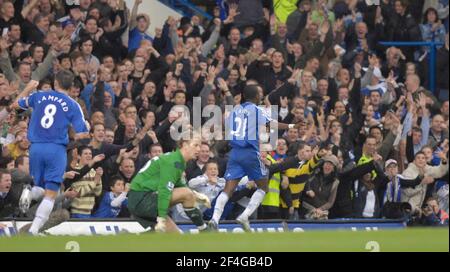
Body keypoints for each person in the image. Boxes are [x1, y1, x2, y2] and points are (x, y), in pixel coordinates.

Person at [209, 84, 302, 231]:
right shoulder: (256, 110)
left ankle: (214, 219)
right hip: (250, 153)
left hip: (234, 153)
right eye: (259, 93)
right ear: (256, 96)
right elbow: (272, 124)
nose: (261, 95)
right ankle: (244, 216)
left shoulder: (234, 111)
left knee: (228, 189)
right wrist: (291, 126)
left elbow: (223, 125)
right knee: (263, 187)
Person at [10, 70, 89, 235]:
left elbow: (15, 105)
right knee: (52, 193)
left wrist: (28, 88)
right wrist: (84, 131)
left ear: (56, 82)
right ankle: (33, 230)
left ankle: (30, 192)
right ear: (72, 86)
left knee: (40, 186)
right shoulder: (74, 105)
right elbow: (82, 133)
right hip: (56, 148)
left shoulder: (39, 96)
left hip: (36, 147)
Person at [128, 135, 211, 233]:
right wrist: (162, 218)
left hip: (142, 199)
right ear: (185, 145)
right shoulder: (173, 162)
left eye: (199, 146)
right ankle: (204, 229)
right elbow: (165, 191)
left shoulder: (177, 160)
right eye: (196, 145)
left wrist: (196, 195)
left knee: (176, 237)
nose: (198, 149)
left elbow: (179, 184)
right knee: (186, 194)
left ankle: (131, 238)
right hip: (141, 199)